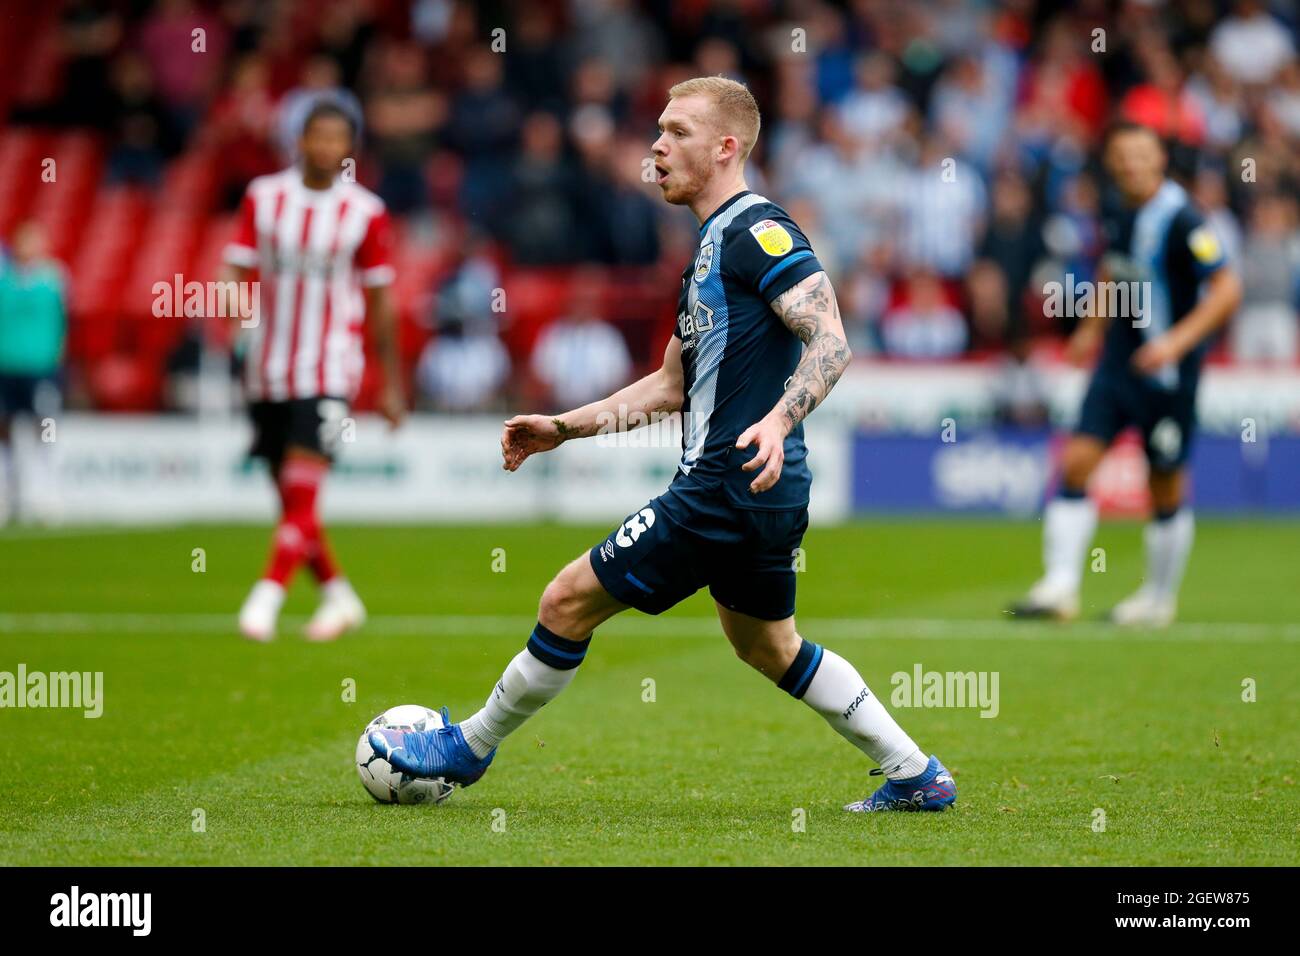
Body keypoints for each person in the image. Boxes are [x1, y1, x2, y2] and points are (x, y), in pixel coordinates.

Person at [370, 76, 955, 813]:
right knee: (767, 647)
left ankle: (468, 748)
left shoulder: (757, 231)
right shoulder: (706, 256)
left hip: (724, 483)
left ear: (726, 147)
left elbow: (830, 341)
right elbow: (667, 388)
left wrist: (775, 421)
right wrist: (562, 428)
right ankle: (916, 773)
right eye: (658, 129)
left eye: (677, 131)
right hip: (762, 489)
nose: (656, 145)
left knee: (566, 600)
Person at [1011, 122, 1242, 626]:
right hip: (1117, 367)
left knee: (1165, 484)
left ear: (1159, 159)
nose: (1131, 163)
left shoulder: (1185, 221)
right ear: (1112, 163)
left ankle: (1158, 599)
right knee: (1075, 463)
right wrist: (1091, 330)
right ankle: (1060, 588)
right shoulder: (1115, 209)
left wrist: (1173, 343)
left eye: (1141, 153)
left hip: (1168, 376)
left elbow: (1227, 290)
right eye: (1122, 155)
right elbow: (1113, 270)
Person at [224, 101, 405, 642]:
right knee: (291, 501)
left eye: (337, 138)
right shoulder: (264, 197)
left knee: (303, 495)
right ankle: (339, 596)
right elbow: (234, 265)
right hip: (267, 367)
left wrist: (392, 381)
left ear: (349, 148)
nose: (327, 147)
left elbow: (380, 298)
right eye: (317, 136)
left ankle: (266, 595)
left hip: (329, 367)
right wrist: (234, 305)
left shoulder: (365, 211)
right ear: (300, 140)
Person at [0, 222, 66, 524]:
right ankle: (9, 489)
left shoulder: (53, 279)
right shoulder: (4, 280)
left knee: (45, 425)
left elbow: (64, 322)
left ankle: (46, 488)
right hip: (6, 366)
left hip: (40, 368)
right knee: (6, 428)